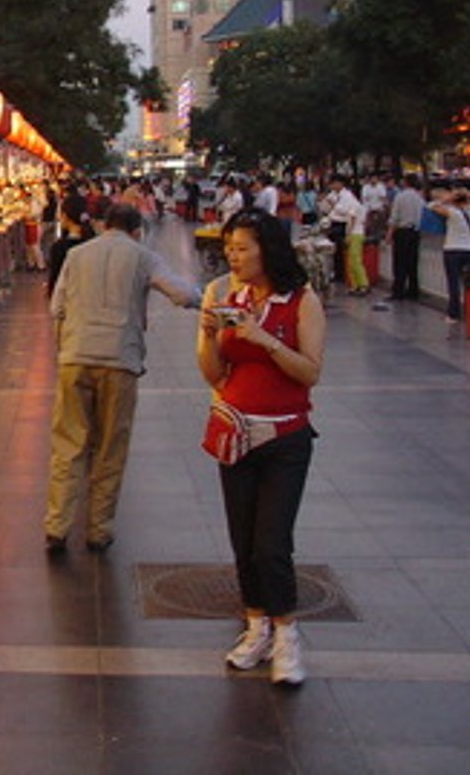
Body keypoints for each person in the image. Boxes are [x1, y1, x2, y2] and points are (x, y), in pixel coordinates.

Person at [196, 209, 325, 687]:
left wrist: (264, 338)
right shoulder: (232, 298)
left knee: (272, 544)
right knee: (244, 542)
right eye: (229, 248)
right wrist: (211, 336)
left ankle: (287, 633)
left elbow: (310, 371)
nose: (233, 256)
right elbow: (213, 374)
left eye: (242, 248)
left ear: (268, 250)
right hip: (235, 433)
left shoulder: (301, 301)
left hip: (285, 436)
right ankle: (255, 628)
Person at [44, 203, 201, 554]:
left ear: (104, 225)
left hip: (75, 358)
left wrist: (64, 348)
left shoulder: (78, 254)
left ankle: (57, 525)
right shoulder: (141, 256)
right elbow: (181, 293)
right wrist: (212, 301)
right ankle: (98, 529)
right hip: (120, 359)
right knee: (110, 448)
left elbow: (57, 308)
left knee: (68, 445)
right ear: (136, 230)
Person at [428, 181, 470, 326]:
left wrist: (448, 198)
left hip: (452, 250)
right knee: (469, 283)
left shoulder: (453, 213)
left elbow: (430, 206)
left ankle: (453, 314)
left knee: (453, 283)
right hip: (468, 250)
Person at [324, 174, 368, 295]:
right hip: (352, 232)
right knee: (350, 260)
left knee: (355, 259)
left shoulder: (352, 202)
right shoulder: (346, 200)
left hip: (356, 233)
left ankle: (363, 284)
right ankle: (355, 285)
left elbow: (351, 219)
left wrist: (348, 234)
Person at [385, 174, 425, 301]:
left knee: (399, 263)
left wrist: (389, 234)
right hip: (415, 232)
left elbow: (395, 217)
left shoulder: (400, 196)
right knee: (412, 263)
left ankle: (398, 291)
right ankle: (413, 291)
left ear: (406, 182)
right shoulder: (420, 198)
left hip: (402, 232)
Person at [47, 194, 96, 297]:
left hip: (71, 303)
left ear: (65, 216)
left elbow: (56, 282)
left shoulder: (59, 248)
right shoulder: (95, 243)